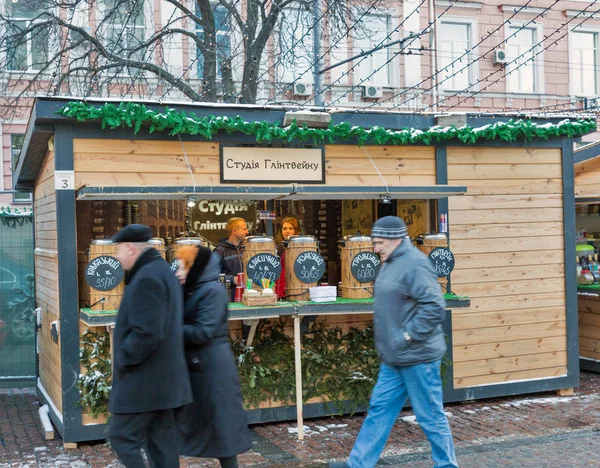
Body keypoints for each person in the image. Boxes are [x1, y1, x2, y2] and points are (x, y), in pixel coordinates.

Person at [329, 216, 458, 468]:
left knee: (430, 416)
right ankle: (358, 464)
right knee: (379, 411)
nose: (375, 248)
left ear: (396, 238)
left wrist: (408, 335)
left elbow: (434, 306)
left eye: (379, 243)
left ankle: (447, 465)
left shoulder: (415, 264)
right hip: (395, 357)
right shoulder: (389, 262)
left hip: (418, 355)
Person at [108, 224, 192, 468]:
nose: (116, 256)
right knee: (161, 444)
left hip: (146, 381)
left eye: (118, 250)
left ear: (130, 248)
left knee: (121, 437)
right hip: (162, 382)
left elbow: (148, 332)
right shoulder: (160, 271)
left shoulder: (147, 277)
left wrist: (123, 357)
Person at [174, 245, 251, 468]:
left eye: (183, 267)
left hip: (213, 370)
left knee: (221, 428)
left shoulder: (212, 292)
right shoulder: (191, 289)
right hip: (200, 366)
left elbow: (203, 332)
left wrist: (170, 329)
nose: (178, 272)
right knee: (211, 426)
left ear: (195, 268)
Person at [214, 217, 249, 301]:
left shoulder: (247, 249)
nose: (247, 232)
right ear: (234, 231)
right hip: (228, 300)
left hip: (248, 298)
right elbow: (212, 277)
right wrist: (233, 279)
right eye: (244, 229)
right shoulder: (219, 252)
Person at [274, 216, 301, 298]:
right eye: (284, 229)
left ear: (296, 230)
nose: (287, 231)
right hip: (280, 285)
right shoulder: (277, 247)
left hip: (296, 285)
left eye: (291, 228)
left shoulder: (301, 247)